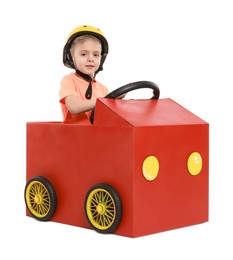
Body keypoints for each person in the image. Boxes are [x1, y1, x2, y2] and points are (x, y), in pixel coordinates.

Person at [59, 25, 109, 123]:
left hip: (97, 135)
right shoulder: (69, 80)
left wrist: (117, 102)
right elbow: (74, 107)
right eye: (83, 54)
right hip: (73, 135)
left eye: (95, 55)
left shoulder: (103, 89)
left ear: (101, 58)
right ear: (72, 57)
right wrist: (105, 101)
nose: (90, 59)